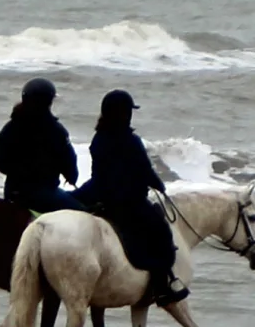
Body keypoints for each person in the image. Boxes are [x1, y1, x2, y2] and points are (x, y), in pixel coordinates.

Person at [77, 87, 181, 308]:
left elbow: (99, 176)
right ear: (124, 113)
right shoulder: (131, 141)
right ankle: (162, 287)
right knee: (161, 232)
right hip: (129, 202)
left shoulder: (99, 138)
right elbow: (144, 170)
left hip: (101, 196)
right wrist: (158, 185)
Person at [0, 78, 78, 214]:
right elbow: (68, 162)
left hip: (13, 193)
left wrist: (18, 175)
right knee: (83, 212)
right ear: (49, 101)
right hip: (45, 196)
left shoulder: (10, 128)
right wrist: (71, 178)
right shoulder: (56, 130)